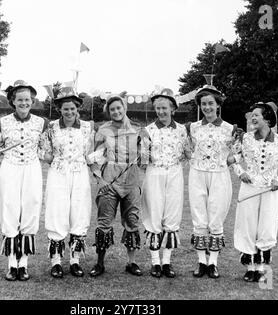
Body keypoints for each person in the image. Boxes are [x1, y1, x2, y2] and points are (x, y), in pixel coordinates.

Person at [228, 102, 278, 282]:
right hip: (249, 189)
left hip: (270, 191)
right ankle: (250, 268)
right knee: (248, 227)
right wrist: (241, 173)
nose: (252, 118)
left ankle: (262, 268)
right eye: (252, 115)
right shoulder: (245, 139)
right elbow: (233, 159)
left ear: (267, 118)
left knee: (266, 227)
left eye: (256, 115)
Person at [0, 80, 49, 281]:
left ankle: (24, 263)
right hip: (9, 169)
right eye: (20, 99)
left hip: (32, 169)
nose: (24, 103)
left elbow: (45, 149)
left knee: (31, 209)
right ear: (13, 101)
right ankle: (11, 263)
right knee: (9, 210)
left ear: (32, 101)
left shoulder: (41, 123)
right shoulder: (2, 122)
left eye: (28, 99)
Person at [88, 95, 145, 277]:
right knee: (104, 221)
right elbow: (92, 158)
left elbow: (146, 159)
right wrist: (100, 179)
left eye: (119, 108)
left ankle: (132, 262)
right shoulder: (103, 130)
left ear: (124, 107)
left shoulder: (138, 129)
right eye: (112, 109)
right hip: (109, 181)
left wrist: (146, 152)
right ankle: (100, 263)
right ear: (109, 111)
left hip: (132, 180)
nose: (116, 112)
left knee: (132, 221)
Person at [186, 85, 239, 279]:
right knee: (199, 218)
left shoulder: (229, 129)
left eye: (211, 103)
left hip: (219, 175)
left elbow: (242, 151)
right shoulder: (192, 127)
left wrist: (230, 160)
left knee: (216, 218)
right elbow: (184, 147)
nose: (207, 107)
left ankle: (213, 263)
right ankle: (201, 262)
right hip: (197, 174)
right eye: (203, 104)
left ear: (218, 105)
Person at [43, 87, 94, 278]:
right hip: (58, 173)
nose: (69, 112)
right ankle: (56, 262)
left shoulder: (88, 127)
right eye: (66, 109)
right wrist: (54, 159)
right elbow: (44, 150)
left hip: (80, 172)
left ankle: (75, 261)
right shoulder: (52, 127)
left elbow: (90, 152)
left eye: (72, 108)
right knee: (57, 212)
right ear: (59, 109)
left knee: (79, 213)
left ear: (77, 108)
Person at [141, 89, 190, 278]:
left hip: (175, 173)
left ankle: (167, 262)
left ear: (173, 109)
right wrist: (139, 148)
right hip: (155, 173)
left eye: (165, 108)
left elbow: (188, 153)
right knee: (154, 214)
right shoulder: (148, 130)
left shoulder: (182, 130)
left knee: (172, 215)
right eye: (158, 108)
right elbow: (143, 160)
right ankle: (155, 262)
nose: (161, 112)